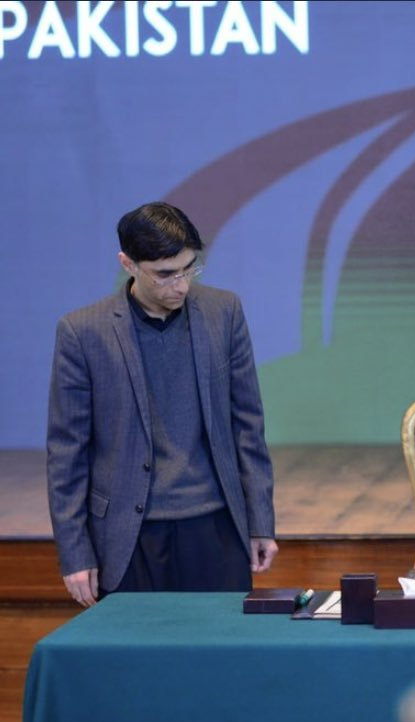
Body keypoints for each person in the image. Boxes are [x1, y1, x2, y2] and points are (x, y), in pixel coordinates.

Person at [47, 201, 278, 606]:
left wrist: (260, 521)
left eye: (190, 268)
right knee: (134, 666)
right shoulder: (83, 332)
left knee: (218, 659)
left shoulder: (224, 313)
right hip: (127, 535)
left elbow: (248, 426)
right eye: (165, 275)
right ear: (128, 264)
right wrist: (75, 552)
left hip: (216, 527)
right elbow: (67, 452)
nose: (181, 285)